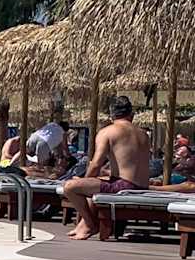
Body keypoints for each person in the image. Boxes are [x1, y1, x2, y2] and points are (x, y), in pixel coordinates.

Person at [64, 95, 152, 241]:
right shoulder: (143, 134)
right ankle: (82, 225)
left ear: (111, 115)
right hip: (141, 185)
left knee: (70, 187)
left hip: (125, 186)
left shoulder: (108, 132)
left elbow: (96, 163)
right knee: (95, 183)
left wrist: (83, 180)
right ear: (131, 114)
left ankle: (90, 225)